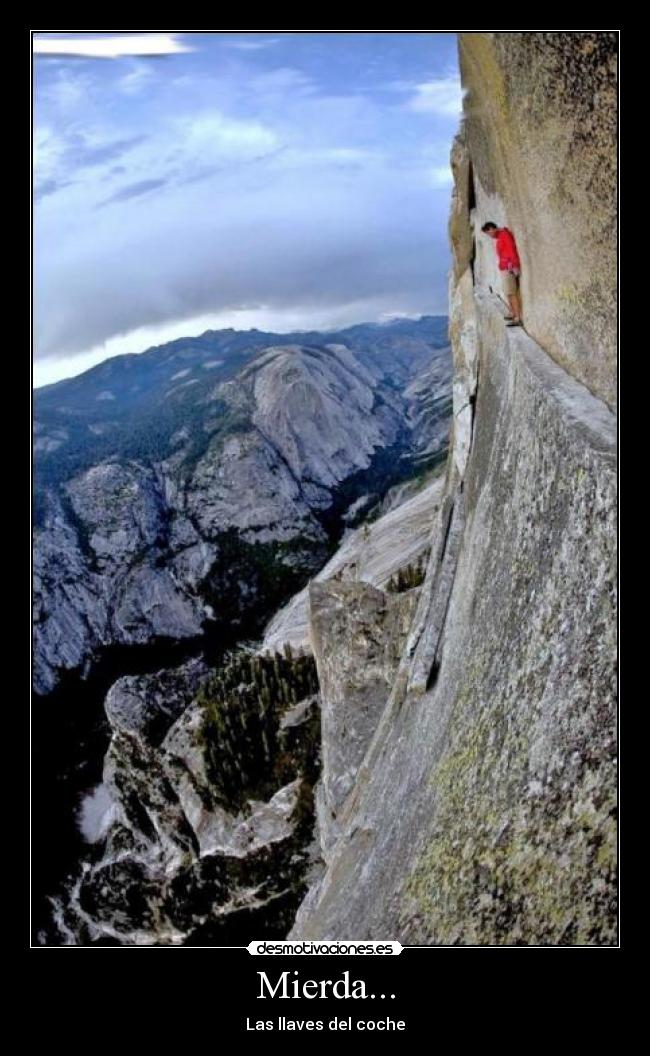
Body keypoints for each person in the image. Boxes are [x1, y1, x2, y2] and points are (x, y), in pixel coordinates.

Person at [481, 221, 522, 327]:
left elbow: (511, 250)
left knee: (511, 292)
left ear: (491, 228)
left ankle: (517, 318)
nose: (489, 236)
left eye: (488, 233)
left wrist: (514, 266)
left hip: (509, 268)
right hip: (505, 267)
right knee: (507, 292)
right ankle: (512, 313)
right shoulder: (501, 236)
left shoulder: (504, 235)